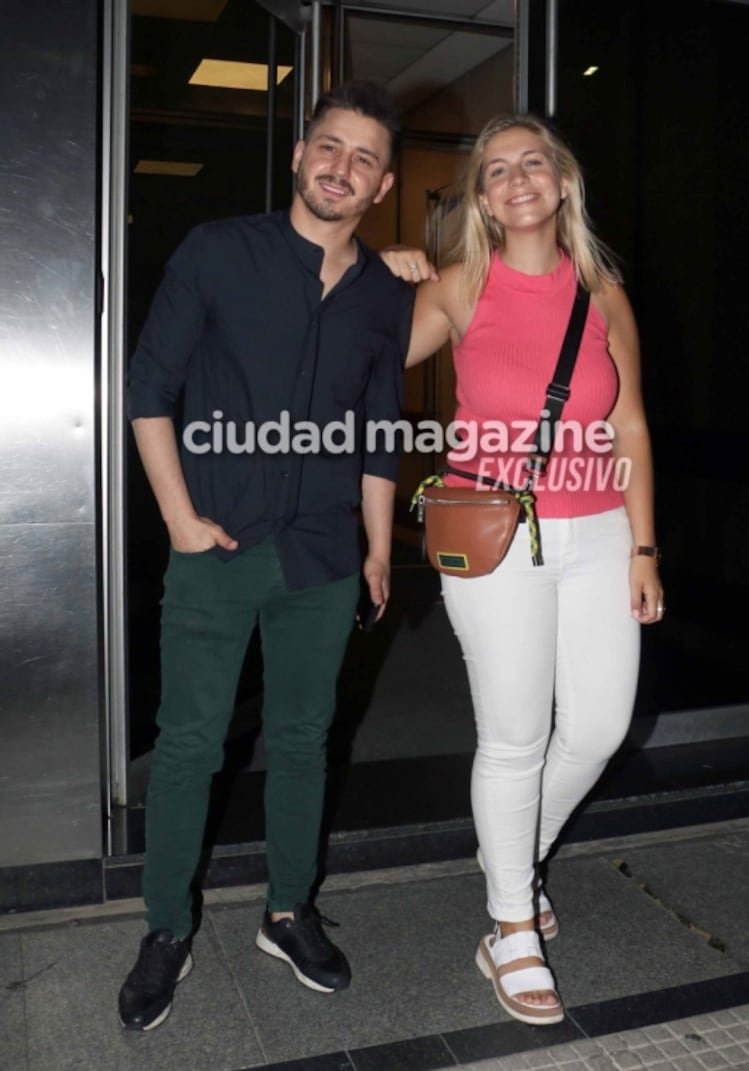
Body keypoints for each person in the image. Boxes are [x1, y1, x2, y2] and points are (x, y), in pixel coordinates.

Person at [118, 80, 414, 1031]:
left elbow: (378, 428)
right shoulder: (218, 251)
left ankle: (288, 911)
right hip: (215, 540)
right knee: (190, 746)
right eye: (329, 147)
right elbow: (149, 387)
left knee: (302, 740)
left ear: (384, 182)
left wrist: (377, 548)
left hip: (324, 556)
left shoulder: (382, 293)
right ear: (298, 155)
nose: (342, 167)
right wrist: (177, 520)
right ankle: (166, 926)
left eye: (364, 157)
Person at [382, 114, 663, 1025]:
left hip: (597, 536)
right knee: (513, 737)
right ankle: (510, 922)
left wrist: (644, 546)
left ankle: (511, 857)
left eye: (529, 163)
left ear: (561, 181)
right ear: (481, 197)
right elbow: (359, 362)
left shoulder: (602, 292)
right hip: (493, 537)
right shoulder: (460, 287)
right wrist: (375, 277)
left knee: (597, 727)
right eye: (494, 169)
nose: (514, 179)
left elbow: (628, 427)